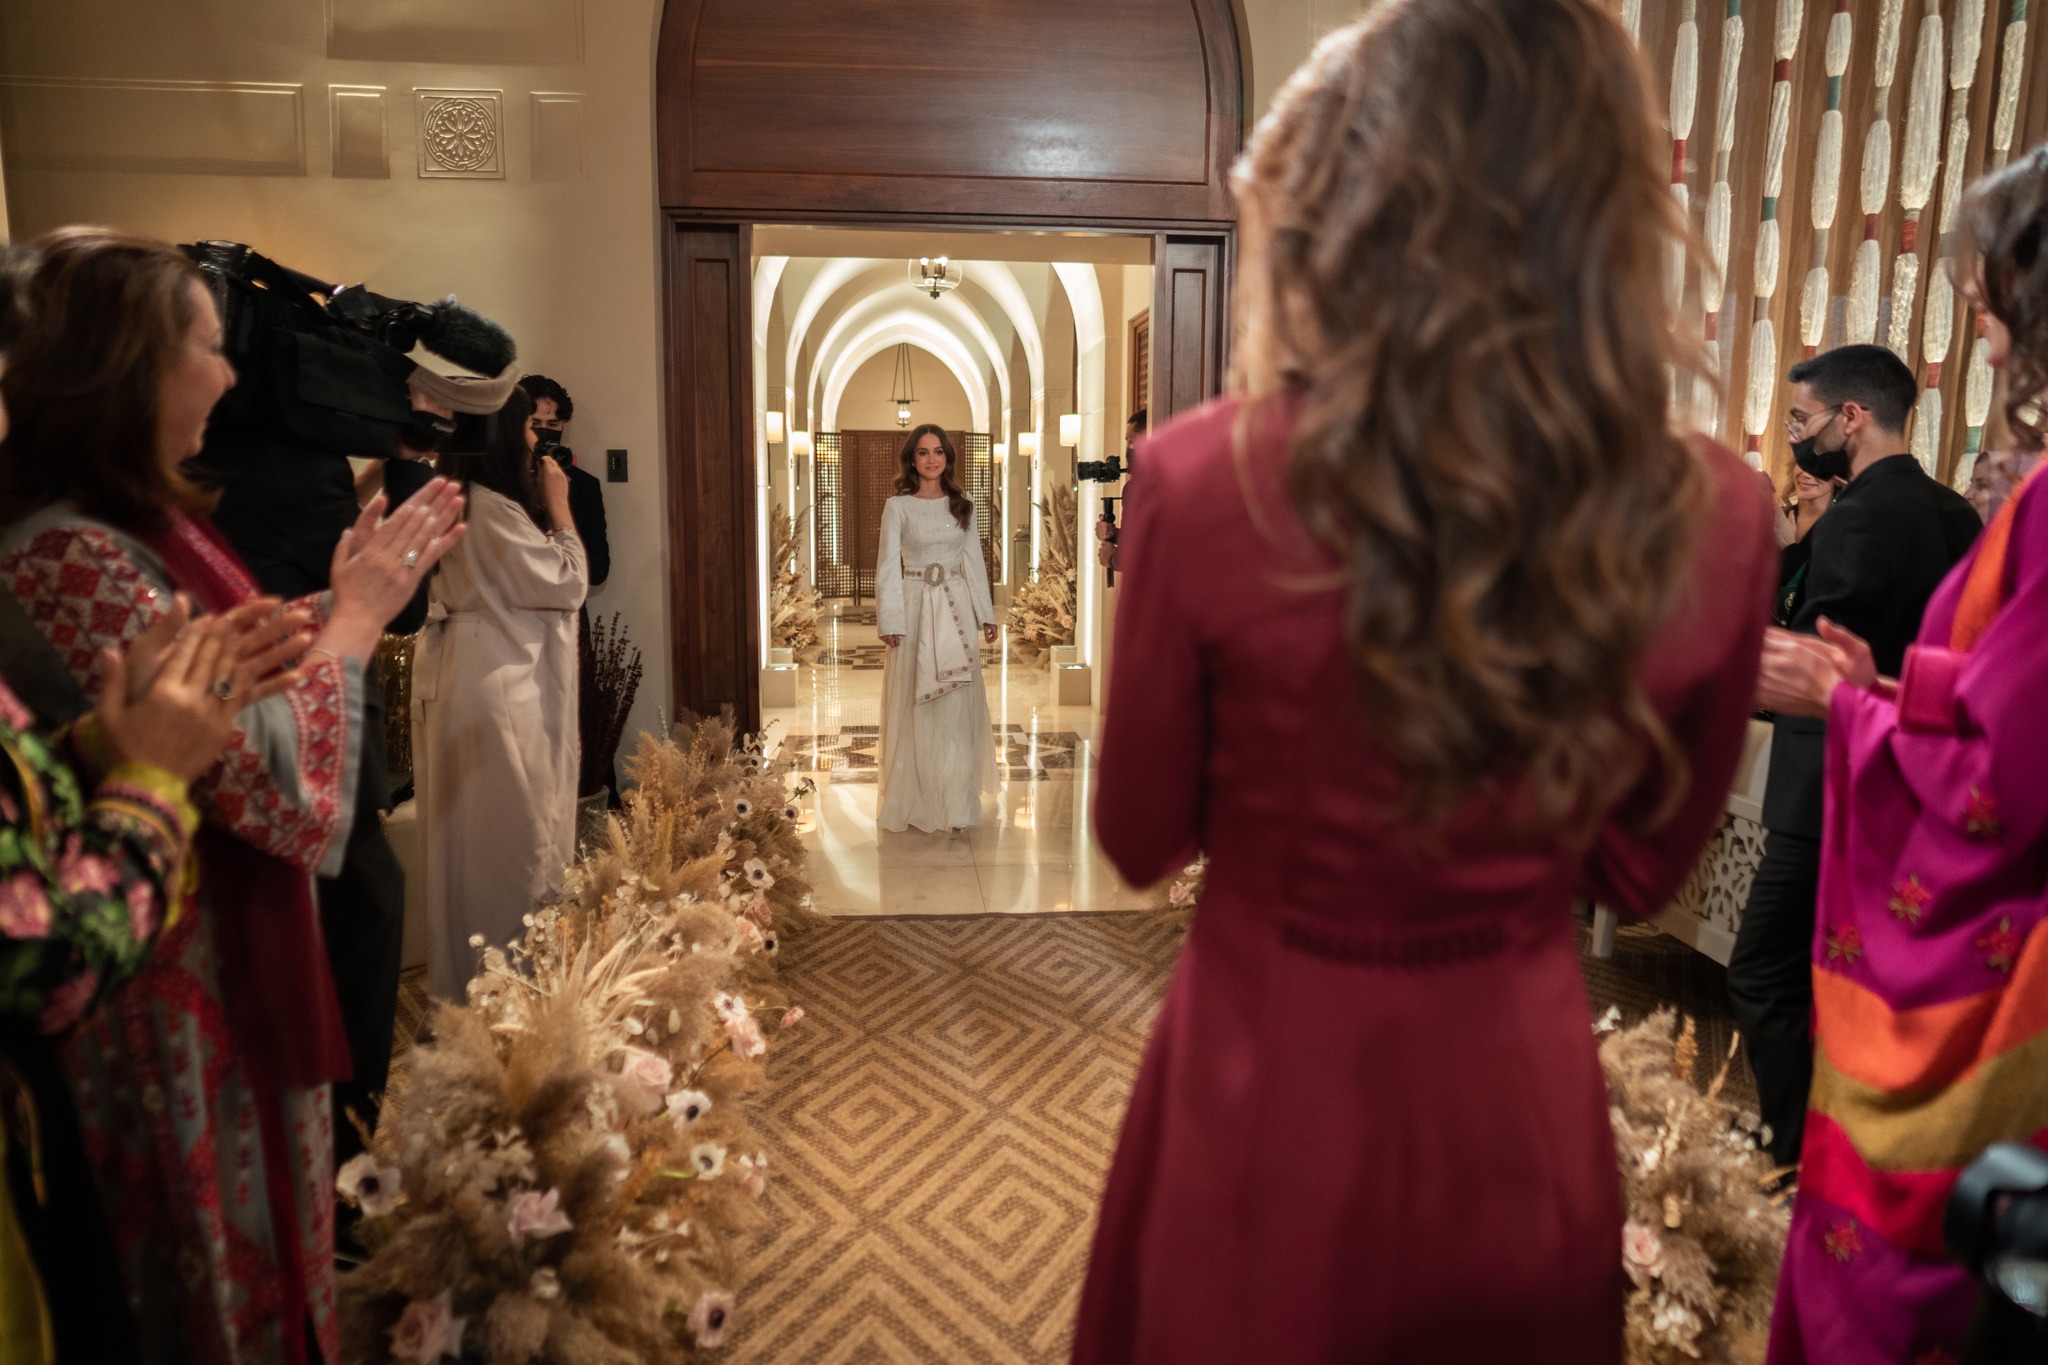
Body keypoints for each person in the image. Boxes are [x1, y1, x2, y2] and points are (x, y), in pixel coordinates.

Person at [1072, 3, 1775, 1360]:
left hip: (1260, 1082)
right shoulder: (1714, 516)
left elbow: (1140, 834)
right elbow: (1637, 869)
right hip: (1513, 1101)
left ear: (1354, 196)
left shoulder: (1205, 479)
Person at [0, 226, 463, 1365]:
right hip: (161, 972)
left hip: (197, 946)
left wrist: (330, 607)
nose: (228, 375)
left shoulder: (137, 530)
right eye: (206, 349)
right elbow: (262, 785)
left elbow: (228, 674)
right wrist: (354, 624)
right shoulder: (66, 555)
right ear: (128, 369)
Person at [1754, 144, 2048, 1364]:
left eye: (1988, 300)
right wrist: (1888, 685)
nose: (1976, 328)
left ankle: (1776, 1156)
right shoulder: (1958, 505)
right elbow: (1996, 687)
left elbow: (2004, 770)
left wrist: (1846, 701)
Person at [1728, 344, 1981, 1175]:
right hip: (1919, 785)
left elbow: (1811, 659)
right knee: (1860, 986)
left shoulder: (1857, 517)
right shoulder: (1957, 515)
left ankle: (1793, 1153)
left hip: (1830, 785)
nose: (1796, 437)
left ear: (1852, 417)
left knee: (1763, 970)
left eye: (1802, 420)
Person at [414, 385, 587, 999]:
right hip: (499, 684)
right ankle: (509, 991)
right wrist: (560, 510)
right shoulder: (489, 509)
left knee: (464, 841)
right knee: (513, 843)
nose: (536, 442)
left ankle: (467, 985)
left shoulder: (452, 498)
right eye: (526, 429)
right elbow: (566, 582)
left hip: (464, 671)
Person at [875, 424, 998, 834]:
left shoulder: (964, 504)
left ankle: (956, 800)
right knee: (916, 700)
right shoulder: (897, 506)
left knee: (956, 703)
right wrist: (890, 620)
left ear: (948, 457)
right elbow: (887, 566)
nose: (932, 459)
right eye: (923, 452)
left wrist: (986, 614)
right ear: (912, 460)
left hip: (955, 606)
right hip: (913, 607)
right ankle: (917, 799)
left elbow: (974, 562)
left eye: (939, 451)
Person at [520, 373, 610, 589]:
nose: (543, 432)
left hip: (565, 603)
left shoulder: (583, 485)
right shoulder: (499, 478)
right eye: (535, 423)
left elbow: (598, 570)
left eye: (553, 424)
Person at [1775, 465, 1843, 625]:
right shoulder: (1779, 517)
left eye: (1817, 465)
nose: (1806, 474)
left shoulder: (1842, 527)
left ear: (1838, 478)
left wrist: (1789, 549)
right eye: (1802, 462)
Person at [1095, 408, 1146, 570]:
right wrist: (1114, 534)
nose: (1128, 449)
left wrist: (1111, 558)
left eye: (1131, 441)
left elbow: (1144, 551)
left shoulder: (1138, 488)